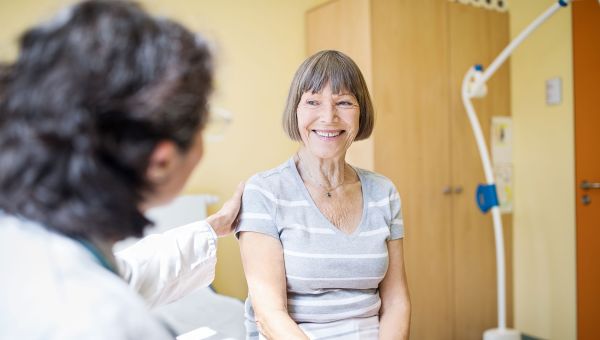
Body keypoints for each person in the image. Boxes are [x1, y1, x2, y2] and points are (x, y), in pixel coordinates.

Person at [0, 1, 242, 338]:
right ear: (161, 161)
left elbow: (119, 274)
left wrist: (211, 228)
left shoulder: (27, 238)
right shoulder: (105, 321)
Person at [236, 50, 411, 339]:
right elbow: (270, 315)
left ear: (361, 112)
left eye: (343, 102)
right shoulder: (265, 192)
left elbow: (396, 301)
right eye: (313, 102)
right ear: (296, 110)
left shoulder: (384, 192)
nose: (329, 116)